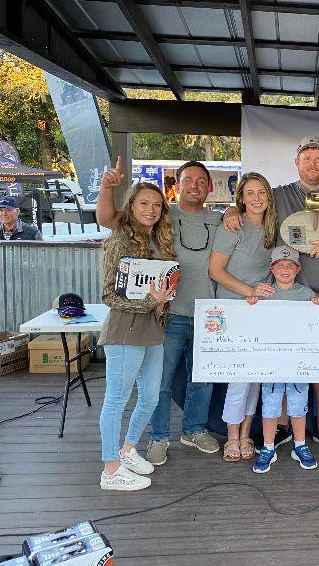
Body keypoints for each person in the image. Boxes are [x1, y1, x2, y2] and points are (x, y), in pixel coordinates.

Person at [223, 135, 319, 455]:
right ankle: (282, 425)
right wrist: (230, 210)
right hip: (284, 293)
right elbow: (249, 204)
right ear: (297, 162)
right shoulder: (279, 196)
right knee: (283, 357)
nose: (313, 163)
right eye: (306, 157)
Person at [97, 160, 221, 467]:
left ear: (210, 187)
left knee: (198, 379)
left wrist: (233, 212)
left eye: (201, 181)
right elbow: (108, 218)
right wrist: (106, 187)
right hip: (164, 317)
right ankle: (156, 438)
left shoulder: (214, 219)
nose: (194, 185)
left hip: (206, 313)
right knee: (156, 386)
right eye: (187, 180)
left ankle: (192, 430)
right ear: (177, 186)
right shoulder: (150, 223)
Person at [98, 182, 177, 491]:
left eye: (157, 205)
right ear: (130, 206)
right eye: (144, 204)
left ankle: (128, 449)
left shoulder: (157, 239)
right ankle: (110, 468)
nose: (150, 210)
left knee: (151, 397)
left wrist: (161, 302)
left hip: (152, 329)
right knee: (116, 399)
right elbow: (108, 295)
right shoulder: (119, 240)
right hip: (124, 329)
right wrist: (151, 302)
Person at [209, 172, 277, 462]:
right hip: (233, 310)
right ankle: (232, 437)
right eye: (250, 193)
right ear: (241, 198)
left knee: (256, 378)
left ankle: (247, 434)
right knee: (239, 378)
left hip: (259, 311)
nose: (256, 198)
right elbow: (216, 271)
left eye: (261, 192)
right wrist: (249, 290)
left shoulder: (273, 229)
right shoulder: (232, 226)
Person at [250, 245, 319, 474]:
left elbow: (317, 320)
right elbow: (251, 320)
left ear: (297, 269)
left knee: (298, 405)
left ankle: (300, 445)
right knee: (271, 405)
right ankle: (268, 447)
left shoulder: (305, 293)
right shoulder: (264, 293)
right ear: (272, 269)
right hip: (271, 362)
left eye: (289, 265)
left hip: (297, 363)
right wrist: (251, 301)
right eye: (280, 265)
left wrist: (318, 304)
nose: (285, 269)